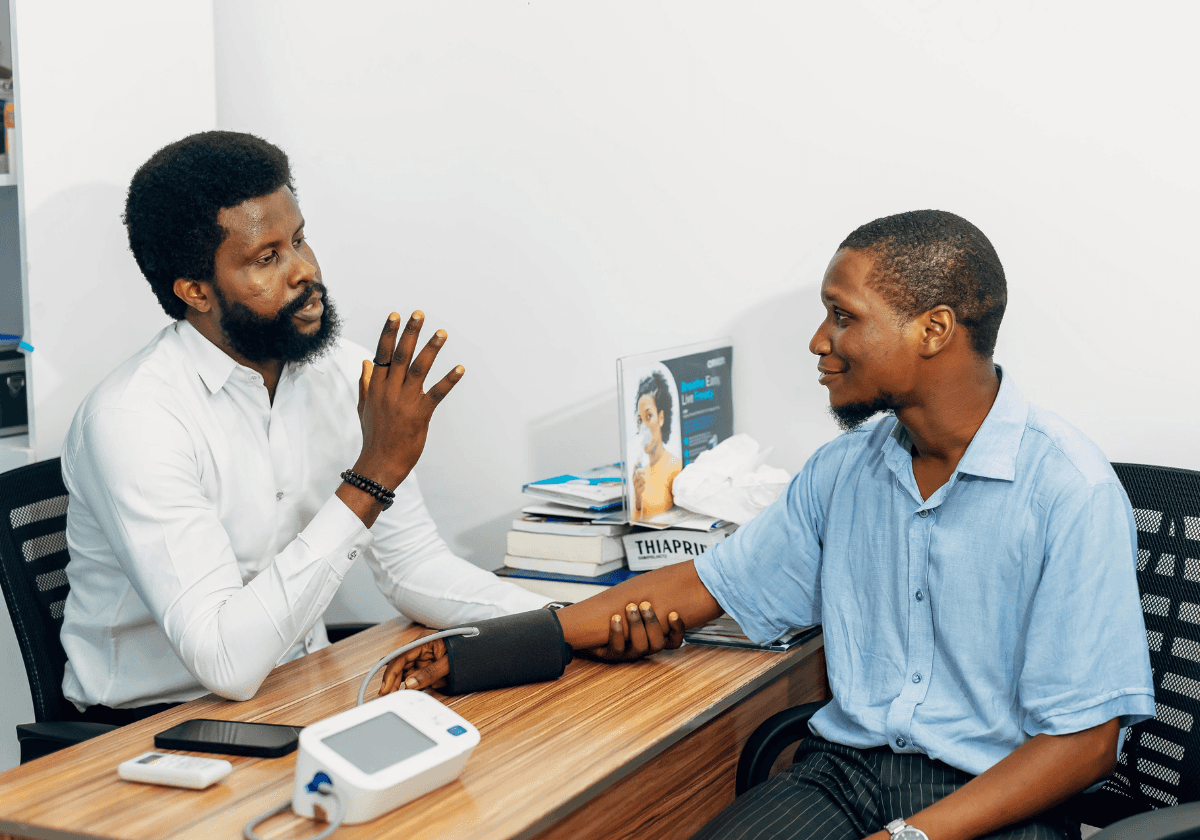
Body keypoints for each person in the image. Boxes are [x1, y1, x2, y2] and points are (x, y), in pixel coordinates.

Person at [387, 210, 1155, 840]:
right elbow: (699, 585)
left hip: (998, 798)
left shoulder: (1068, 491)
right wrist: (485, 651)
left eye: (843, 317)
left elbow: (1087, 742)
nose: (820, 343)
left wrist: (912, 838)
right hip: (843, 773)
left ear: (934, 329)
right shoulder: (845, 470)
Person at [59, 131, 668, 722]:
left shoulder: (341, 372)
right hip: (146, 734)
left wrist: (571, 621)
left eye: (300, 240)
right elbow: (226, 662)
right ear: (196, 290)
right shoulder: (134, 420)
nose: (304, 272)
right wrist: (375, 472)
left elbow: (413, 568)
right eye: (267, 258)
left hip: (298, 691)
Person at [631, 370, 683, 520]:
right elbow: (634, 526)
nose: (644, 427)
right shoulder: (640, 475)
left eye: (649, 416)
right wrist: (638, 500)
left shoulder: (675, 467)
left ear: (661, 417)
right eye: (640, 420)